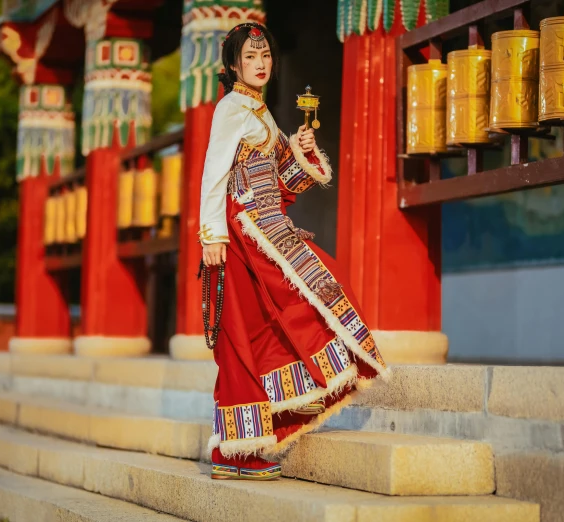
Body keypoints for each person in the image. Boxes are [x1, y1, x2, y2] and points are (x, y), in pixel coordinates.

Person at [199, 22, 389, 481]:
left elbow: (284, 184)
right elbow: (213, 175)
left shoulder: (261, 113)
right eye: (250, 57)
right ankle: (235, 451)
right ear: (233, 65)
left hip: (272, 230)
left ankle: (257, 432)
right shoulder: (230, 109)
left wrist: (299, 150)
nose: (260, 64)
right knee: (247, 335)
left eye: (265, 56)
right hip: (245, 236)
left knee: (288, 313)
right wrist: (213, 237)